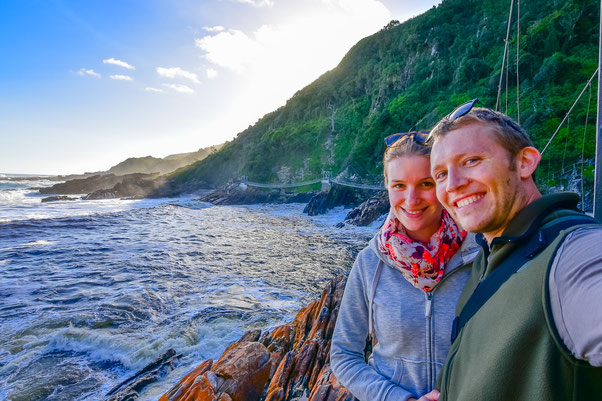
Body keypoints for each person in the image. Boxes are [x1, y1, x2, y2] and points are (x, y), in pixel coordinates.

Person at [428, 99, 602, 400]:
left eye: (471, 160)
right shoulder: (487, 256)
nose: (453, 184)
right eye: (441, 174)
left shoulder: (574, 257)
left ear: (525, 162)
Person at [330, 131, 479, 401]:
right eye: (399, 185)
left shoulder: (482, 253)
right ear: (387, 186)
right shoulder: (370, 261)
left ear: (443, 182)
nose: (411, 200)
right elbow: (343, 354)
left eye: (425, 183)